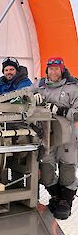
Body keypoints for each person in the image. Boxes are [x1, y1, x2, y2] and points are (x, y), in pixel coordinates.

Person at [31, 57, 78, 220]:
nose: (53, 72)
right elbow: (22, 96)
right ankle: (56, 196)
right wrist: (31, 99)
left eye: (57, 69)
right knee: (46, 172)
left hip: (67, 136)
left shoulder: (73, 87)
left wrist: (61, 110)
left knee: (67, 169)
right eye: (51, 69)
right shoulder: (39, 85)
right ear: (47, 70)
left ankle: (66, 200)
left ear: (63, 70)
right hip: (45, 136)